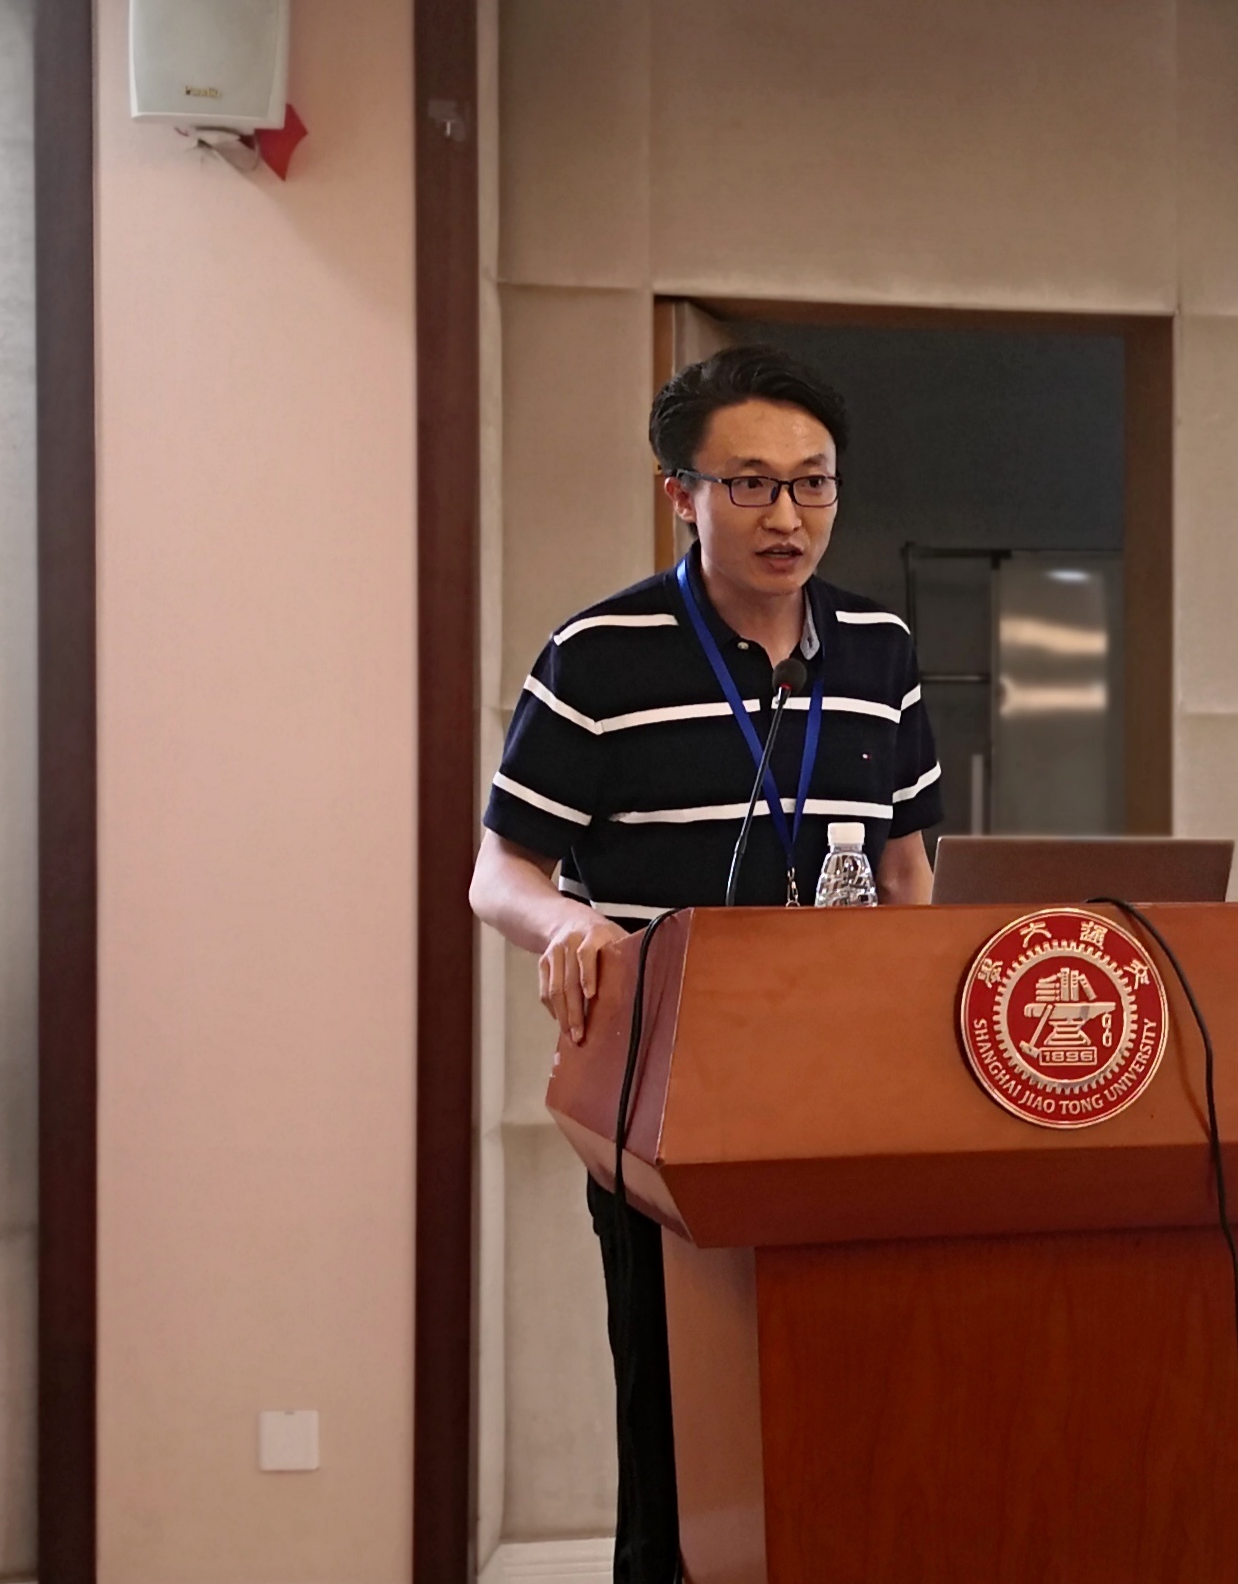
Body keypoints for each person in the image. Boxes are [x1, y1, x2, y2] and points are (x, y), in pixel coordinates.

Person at [468, 343, 942, 1584]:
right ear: (679, 491)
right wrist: (567, 926)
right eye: (749, 483)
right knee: (680, 1435)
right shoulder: (599, 654)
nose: (787, 515)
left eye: (812, 481)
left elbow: (908, 875)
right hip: (665, 1102)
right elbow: (498, 873)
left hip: (845, 1103)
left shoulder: (879, 650)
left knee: (852, 1417)